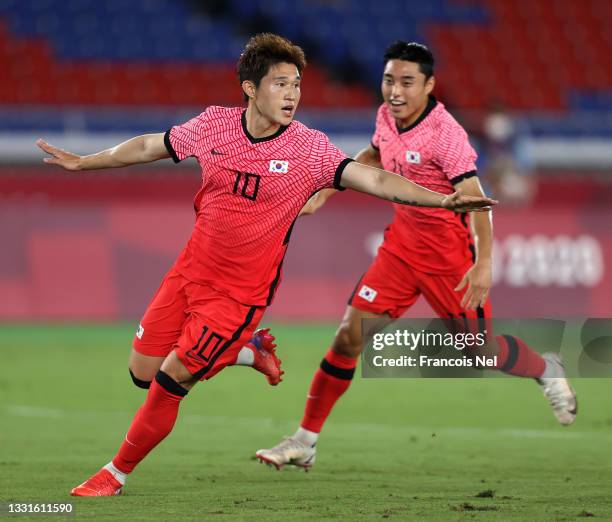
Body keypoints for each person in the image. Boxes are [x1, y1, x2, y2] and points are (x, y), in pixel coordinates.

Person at [36, 34, 494, 496]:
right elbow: (146, 147)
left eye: (296, 84)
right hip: (188, 273)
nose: (292, 94)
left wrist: (442, 200)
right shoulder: (213, 126)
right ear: (250, 88)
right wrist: (85, 163)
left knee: (171, 378)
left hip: (238, 296)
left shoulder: (309, 151)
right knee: (140, 372)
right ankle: (247, 352)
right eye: (280, 84)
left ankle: (114, 474)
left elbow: (373, 177)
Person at [255, 42, 576, 472]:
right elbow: (372, 154)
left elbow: (475, 200)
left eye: (407, 82)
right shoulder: (387, 115)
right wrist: (327, 190)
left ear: (429, 85)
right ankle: (304, 441)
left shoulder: (446, 136)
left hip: (449, 261)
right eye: (389, 80)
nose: (395, 91)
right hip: (401, 250)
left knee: (480, 351)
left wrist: (483, 265)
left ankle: (544, 368)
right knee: (348, 337)